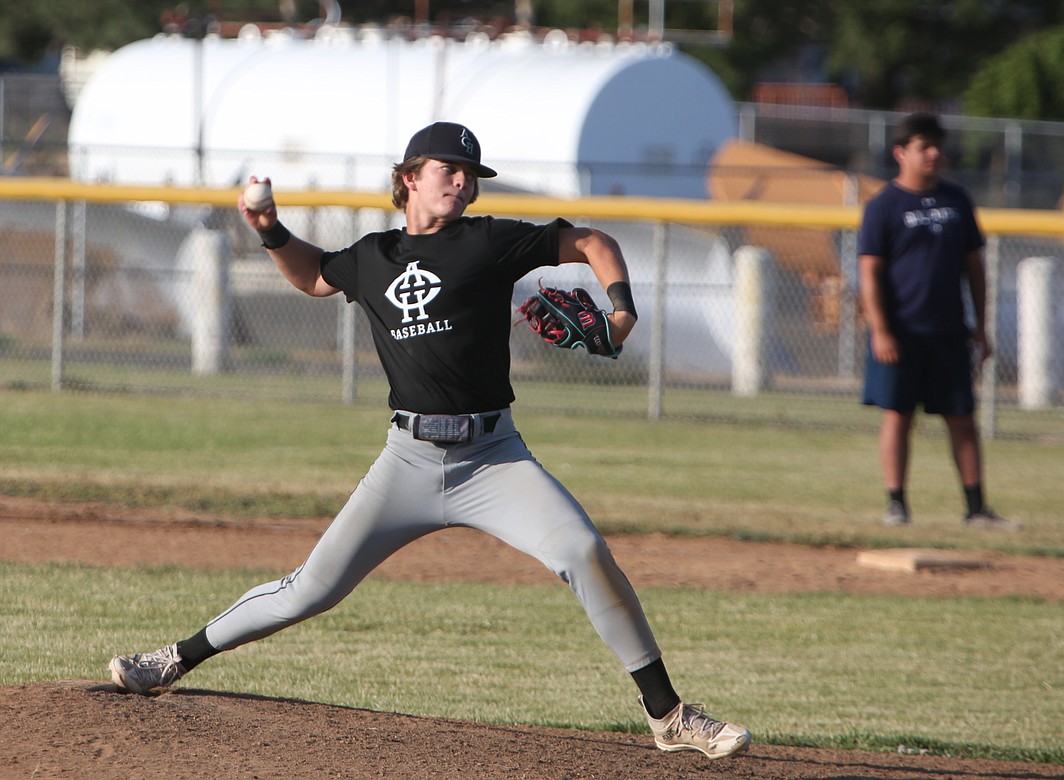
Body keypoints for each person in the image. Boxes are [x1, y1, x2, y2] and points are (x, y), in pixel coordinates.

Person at [107, 121, 751, 760]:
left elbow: (590, 240)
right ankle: (173, 659)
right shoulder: (372, 256)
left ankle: (668, 716)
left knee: (583, 552)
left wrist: (621, 309)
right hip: (408, 460)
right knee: (311, 589)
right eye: (449, 169)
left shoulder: (489, 241)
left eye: (470, 173)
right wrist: (271, 229)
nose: (463, 181)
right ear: (410, 178)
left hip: (494, 458)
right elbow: (312, 276)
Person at [857, 112, 1014, 530]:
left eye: (936, 146)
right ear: (900, 153)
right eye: (923, 147)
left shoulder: (956, 200)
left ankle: (976, 509)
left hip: (948, 330)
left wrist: (980, 326)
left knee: (961, 418)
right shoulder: (883, 206)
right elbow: (869, 273)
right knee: (898, 415)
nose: (933, 154)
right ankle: (896, 504)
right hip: (902, 332)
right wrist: (881, 329)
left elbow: (975, 269)